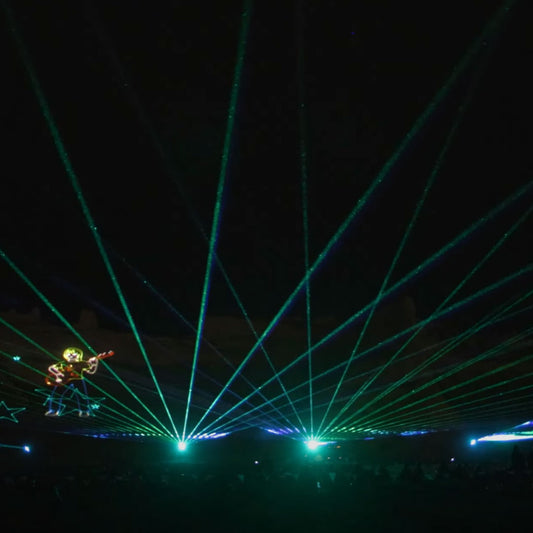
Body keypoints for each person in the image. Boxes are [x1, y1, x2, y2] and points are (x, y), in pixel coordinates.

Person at [45, 346, 112, 417]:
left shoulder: (82, 363)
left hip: (78, 380)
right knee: (57, 395)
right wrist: (59, 374)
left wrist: (94, 362)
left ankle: (84, 412)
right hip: (64, 381)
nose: (71, 356)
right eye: (69, 354)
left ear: (78, 355)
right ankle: (53, 410)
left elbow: (91, 370)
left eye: (74, 354)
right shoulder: (63, 363)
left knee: (82, 396)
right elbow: (52, 368)